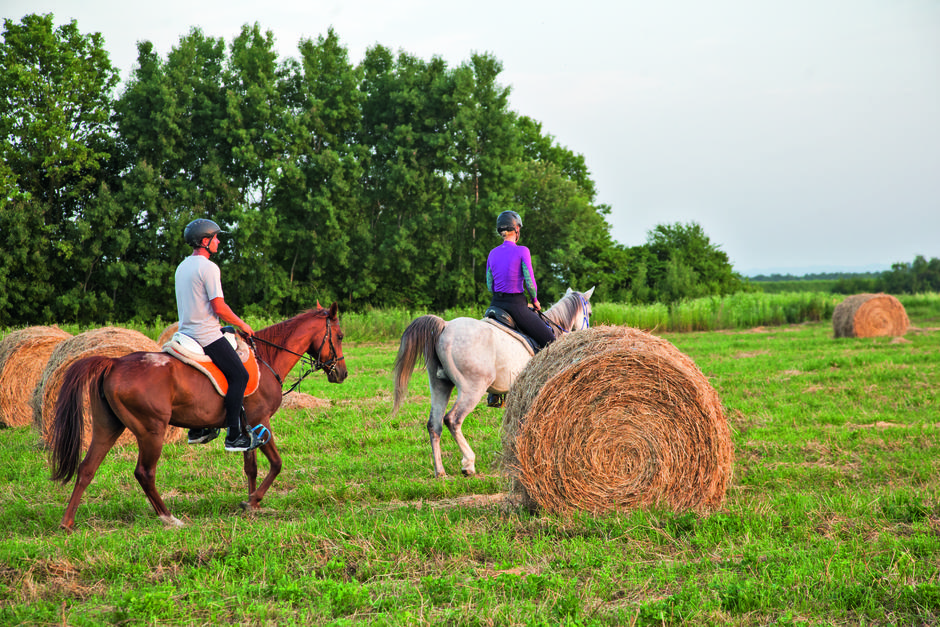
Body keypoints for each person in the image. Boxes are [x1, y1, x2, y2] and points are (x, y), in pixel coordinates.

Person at [175, 218, 260, 452]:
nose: (218, 241)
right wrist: (243, 325)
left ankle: (198, 429)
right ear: (205, 241)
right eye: (216, 238)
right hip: (206, 334)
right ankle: (234, 436)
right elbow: (219, 307)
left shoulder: (182, 266)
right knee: (239, 376)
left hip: (185, 334)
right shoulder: (209, 268)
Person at [486, 210, 555, 349]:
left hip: (495, 305)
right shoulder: (523, 251)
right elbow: (530, 283)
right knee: (551, 342)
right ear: (517, 228)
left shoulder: (492, 253)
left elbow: (489, 284)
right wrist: (534, 301)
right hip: (515, 307)